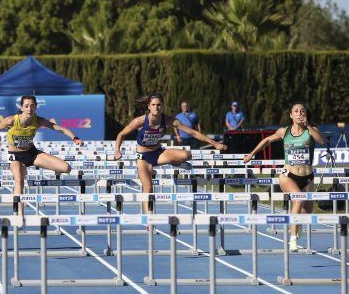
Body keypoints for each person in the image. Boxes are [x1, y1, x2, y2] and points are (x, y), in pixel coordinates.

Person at [114, 93, 227, 213]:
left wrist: (214, 143)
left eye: (159, 105)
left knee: (186, 155)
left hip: (159, 153)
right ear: (149, 106)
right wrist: (117, 151)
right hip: (143, 158)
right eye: (153, 105)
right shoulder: (140, 121)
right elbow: (121, 134)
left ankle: (176, 162)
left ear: (162, 106)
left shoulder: (168, 120)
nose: (156, 107)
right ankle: (148, 220)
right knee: (148, 188)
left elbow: (193, 133)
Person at [243, 102, 324, 252]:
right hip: (288, 176)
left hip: (308, 177)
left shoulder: (312, 131)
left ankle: (296, 227)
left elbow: (321, 141)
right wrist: (252, 153)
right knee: (298, 199)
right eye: (296, 111)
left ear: (306, 114)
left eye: (302, 111)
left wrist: (310, 126)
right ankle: (292, 240)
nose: (300, 113)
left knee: (307, 212)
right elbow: (267, 141)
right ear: (291, 115)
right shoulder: (284, 131)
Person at [0, 95, 83, 217]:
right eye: (26, 106)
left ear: (35, 107)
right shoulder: (11, 120)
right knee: (19, 180)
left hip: (32, 153)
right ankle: (19, 215)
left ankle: (39, 167)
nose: (29, 109)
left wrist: (74, 138)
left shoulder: (38, 121)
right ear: (21, 108)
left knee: (66, 168)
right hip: (15, 157)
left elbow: (60, 129)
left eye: (32, 106)